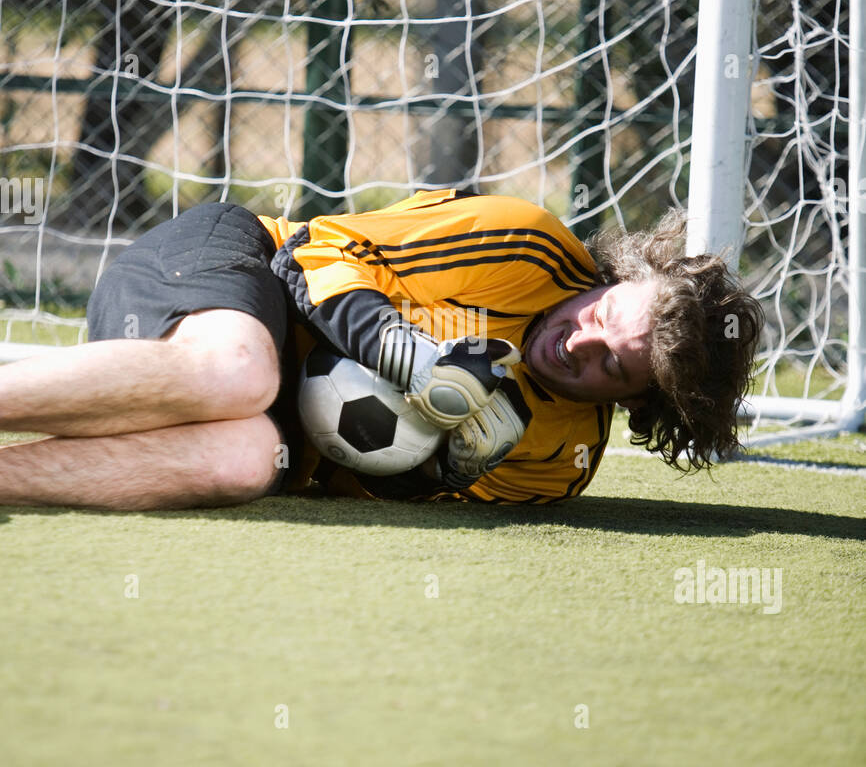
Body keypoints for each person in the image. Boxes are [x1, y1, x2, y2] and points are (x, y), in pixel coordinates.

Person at [0, 188, 762, 510]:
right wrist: (400, 352)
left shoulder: (555, 466)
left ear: (631, 402)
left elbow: (365, 487)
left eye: (613, 367)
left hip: (280, 432)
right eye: (606, 313)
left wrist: (442, 467)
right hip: (231, 268)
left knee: (237, 464)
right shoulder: (527, 242)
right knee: (238, 370)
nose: (581, 343)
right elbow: (307, 252)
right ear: (622, 276)